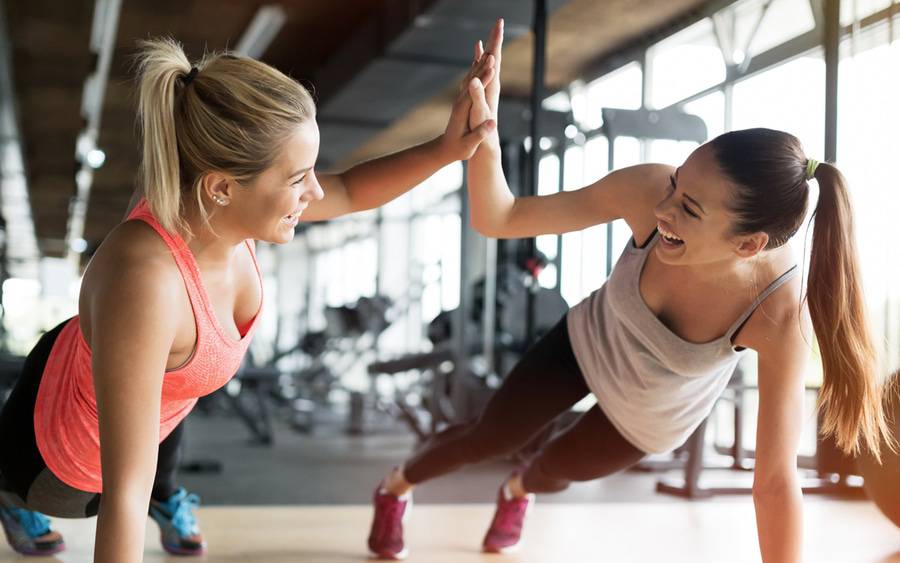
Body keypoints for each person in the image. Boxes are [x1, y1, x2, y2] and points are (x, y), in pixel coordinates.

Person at [367, 19, 891, 562]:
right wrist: (485, 132)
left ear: (748, 245)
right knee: (489, 437)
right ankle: (394, 488)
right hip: (586, 344)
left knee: (550, 470)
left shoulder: (779, 315)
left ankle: (516, 492)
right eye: (675, 185)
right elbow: (501, 216)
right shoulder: (647, 193)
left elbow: (777, 481)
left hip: (649, 417)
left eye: (689, 209)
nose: (663, 209)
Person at [0, 36, 497, 561]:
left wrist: (448, 148)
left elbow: (350, 189)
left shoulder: (227, 211)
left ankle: (163, 490)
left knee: (163, 422)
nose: (317, 192)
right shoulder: (147, 281)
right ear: (220, 187)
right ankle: (12, 502)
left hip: (135, 378)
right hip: (54, 462)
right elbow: (122, 494)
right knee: (125, 475)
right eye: (298, 178)